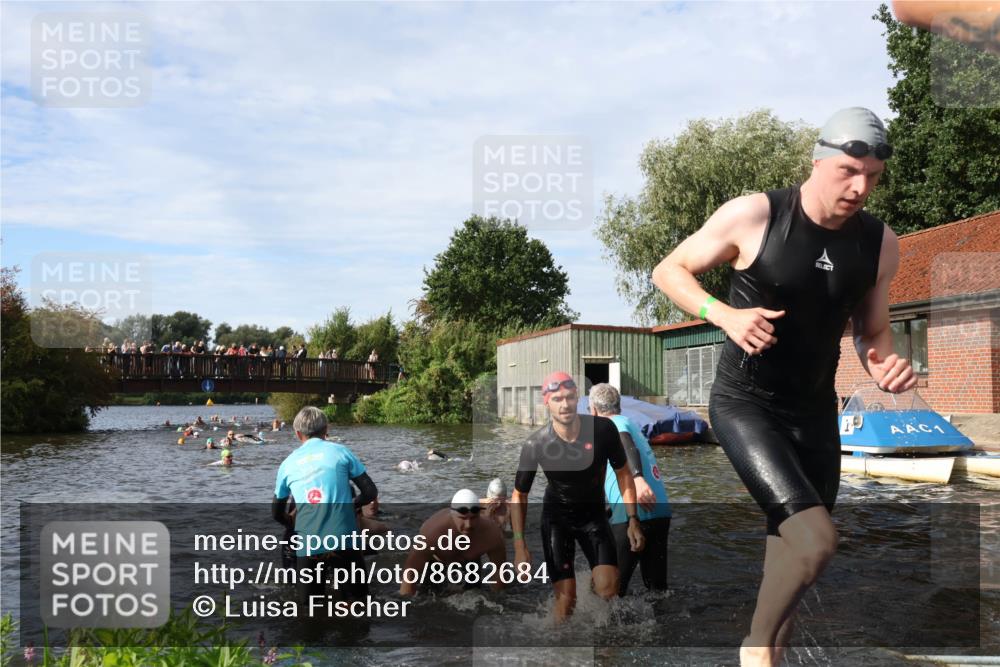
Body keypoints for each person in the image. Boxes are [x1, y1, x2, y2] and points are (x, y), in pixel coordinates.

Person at [650, 107, 916, 667]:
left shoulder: (879, 243)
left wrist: (885, 364)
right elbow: (669, 271)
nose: (860, 187)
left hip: (815, 413)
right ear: (817, 160)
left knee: (795, 555)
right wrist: (723, 315)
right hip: (746, 405)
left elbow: (872, 332)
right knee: (817, 539)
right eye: (848, 170)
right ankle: (753, 648)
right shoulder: (756, 215)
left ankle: (768, 655)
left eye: (872, 176)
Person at [511, 371, 645, 622]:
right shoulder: (536, 444)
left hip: (593, 516)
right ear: (546, 403)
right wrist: (520, 545)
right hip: (556, 521)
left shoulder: (603, 430)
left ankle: (603, 648)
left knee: (609, 589)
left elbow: (623, 474)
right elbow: (519, 495)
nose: (565, 405)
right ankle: (556, 654)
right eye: (558, 399)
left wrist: (632, 519)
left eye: (570, 397)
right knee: (566, 603)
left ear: (578, 399)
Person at [272, 406, 377, 609]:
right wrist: (352, 505)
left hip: (309, 544)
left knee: (311, 612)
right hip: (345, 541)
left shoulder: (287, 463)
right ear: (326, 429)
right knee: (357, 607)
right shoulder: (341, 451)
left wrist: (292, 524)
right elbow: (370, 492)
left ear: (297, 434)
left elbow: (276, 513)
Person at [588, 383, 672, 596]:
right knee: (657, 589)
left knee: (610, 591)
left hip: (632, 509)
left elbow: (624, 443)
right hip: (659, 511)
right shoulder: (630, 422)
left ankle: (606, 630)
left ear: (594, 410)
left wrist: (638, 479)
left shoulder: (613, 425)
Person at [400, 489, 506, 597]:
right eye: (463, 518)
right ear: (452, 516)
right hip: (436, 562)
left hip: (471, 563)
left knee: (475, 597)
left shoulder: (491, 532)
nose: (469, 524)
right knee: (428, 598)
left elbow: (499, 570)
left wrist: (497, 599)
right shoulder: (433, 533)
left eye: (474, 518)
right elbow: (410, 573)